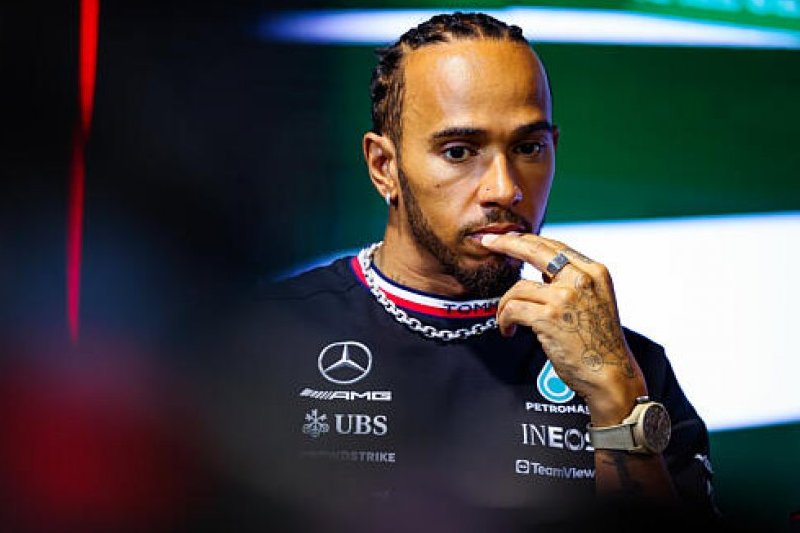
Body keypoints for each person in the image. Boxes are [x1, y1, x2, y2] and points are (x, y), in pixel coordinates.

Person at [195, 11, 719, 533]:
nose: (504, 189)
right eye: (459, 151)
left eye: (528, 148)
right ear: (383, 167)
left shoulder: (629, 368)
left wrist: (616, 402)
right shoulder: (264, 340)